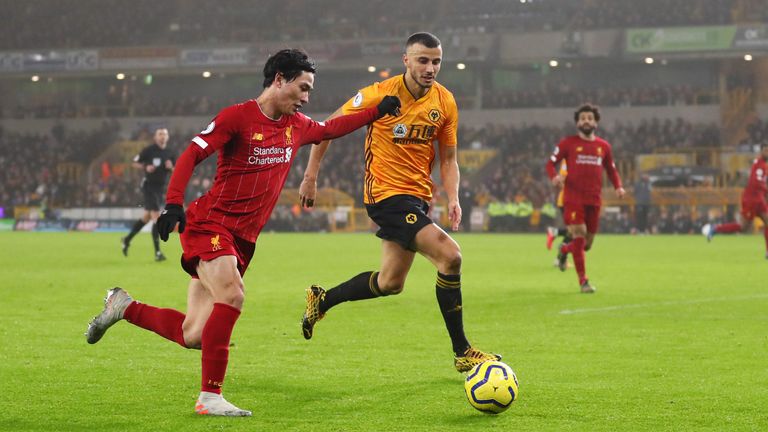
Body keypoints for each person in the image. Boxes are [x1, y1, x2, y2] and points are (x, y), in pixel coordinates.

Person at [85, 48, 402, 416]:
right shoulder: (237, 117)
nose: (306, 97)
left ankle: (123, 307)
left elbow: (332, 128)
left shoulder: (296, 126)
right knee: (233, 295)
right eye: (303, 88)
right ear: (279, 79)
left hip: (243, 239)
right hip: (210, 224)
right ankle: (210, 397)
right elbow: (190, 154)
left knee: (195, 334)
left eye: (310, 91)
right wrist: (173, 203)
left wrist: (376, 112)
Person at [298, 32, 500, 373]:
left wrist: (453, 197)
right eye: (422, 60)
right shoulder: (379, 94)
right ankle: (462, 351)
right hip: (385, 196)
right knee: (451, 257)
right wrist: (311, 176)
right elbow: (326, 128)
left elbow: (448, 159)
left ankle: (323, 300)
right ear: (406, 60)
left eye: (436, 61)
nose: (430, 68)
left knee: (390, 282)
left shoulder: (445, 102)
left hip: (418, 198)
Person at [545, 103, 625, 293]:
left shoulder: (603, 146)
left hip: (594, 200)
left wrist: (619, 187)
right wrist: (554, 177)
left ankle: (564, 250)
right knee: (579, 234)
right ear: (577, 122)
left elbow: (611, 170)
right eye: (582, 118)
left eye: (589, 118)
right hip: (573, 198)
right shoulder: (567, 143)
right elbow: (550, 163)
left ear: (596, 122)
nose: (586, 121)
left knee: (586, 245)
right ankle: (584, 282)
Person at [702, 144, 768, 258]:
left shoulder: (761, 165)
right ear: (762, 152)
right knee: (743, 227)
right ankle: (715, 229)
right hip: (752, 199)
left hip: (759, 199)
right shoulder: (760, 165)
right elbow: (756, 183)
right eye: (766, 150)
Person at [121, 127, 175, 261]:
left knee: (146, 217)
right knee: (157, 217)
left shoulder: (170, 153)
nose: (162, 136)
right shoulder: (149, 150)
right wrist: (146, 167)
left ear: (167, 137)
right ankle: (158, 253)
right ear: (155, 137)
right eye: (160, 134)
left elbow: (175, 170)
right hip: (149, 186)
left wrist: (171, 168)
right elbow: (134, 163)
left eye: (164, 134)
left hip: (160, 188)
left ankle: (126, 240)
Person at [545, 160, 573, 271]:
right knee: (575, 231)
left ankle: (554, 232)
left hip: (572, 201)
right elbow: (561, 178)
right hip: (567, 201)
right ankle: (559, 259)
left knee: (575, 231)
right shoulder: (567, 159)